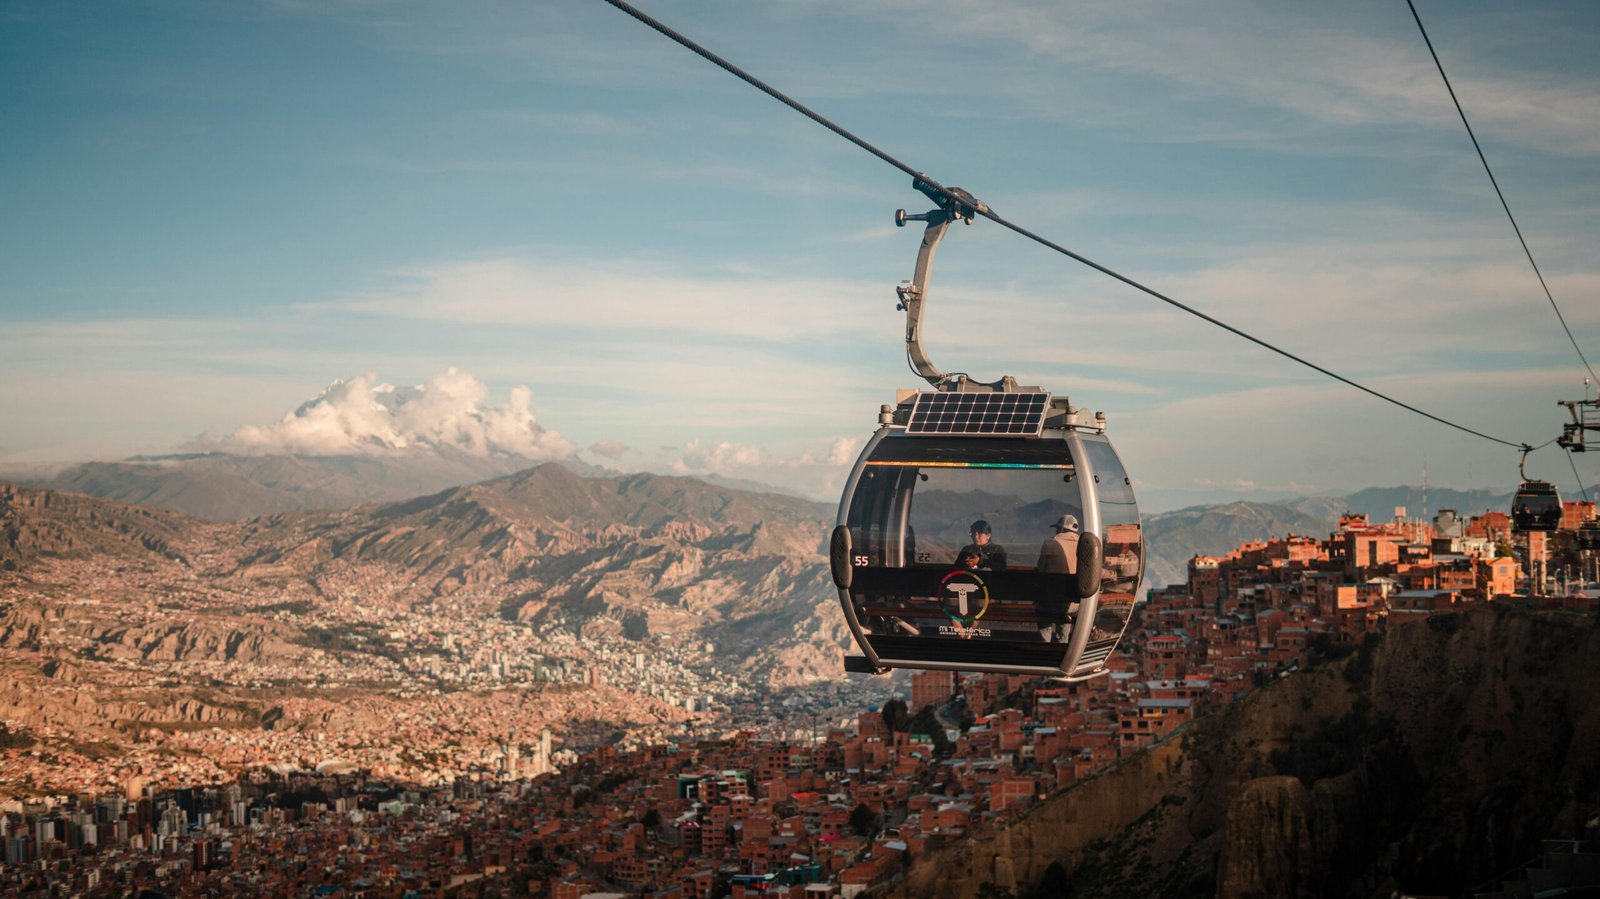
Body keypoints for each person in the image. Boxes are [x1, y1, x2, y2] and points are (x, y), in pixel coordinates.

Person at [1036, 513, 1080, 642]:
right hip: (1075, 605)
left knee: (1044, 610)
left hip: (1051, 604)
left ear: (1060, 529)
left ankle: (1045, 644)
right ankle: (1063, 641)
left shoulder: (1050, 544)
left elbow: (1041, 571)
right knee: (1065, 610)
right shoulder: (1083, 545)